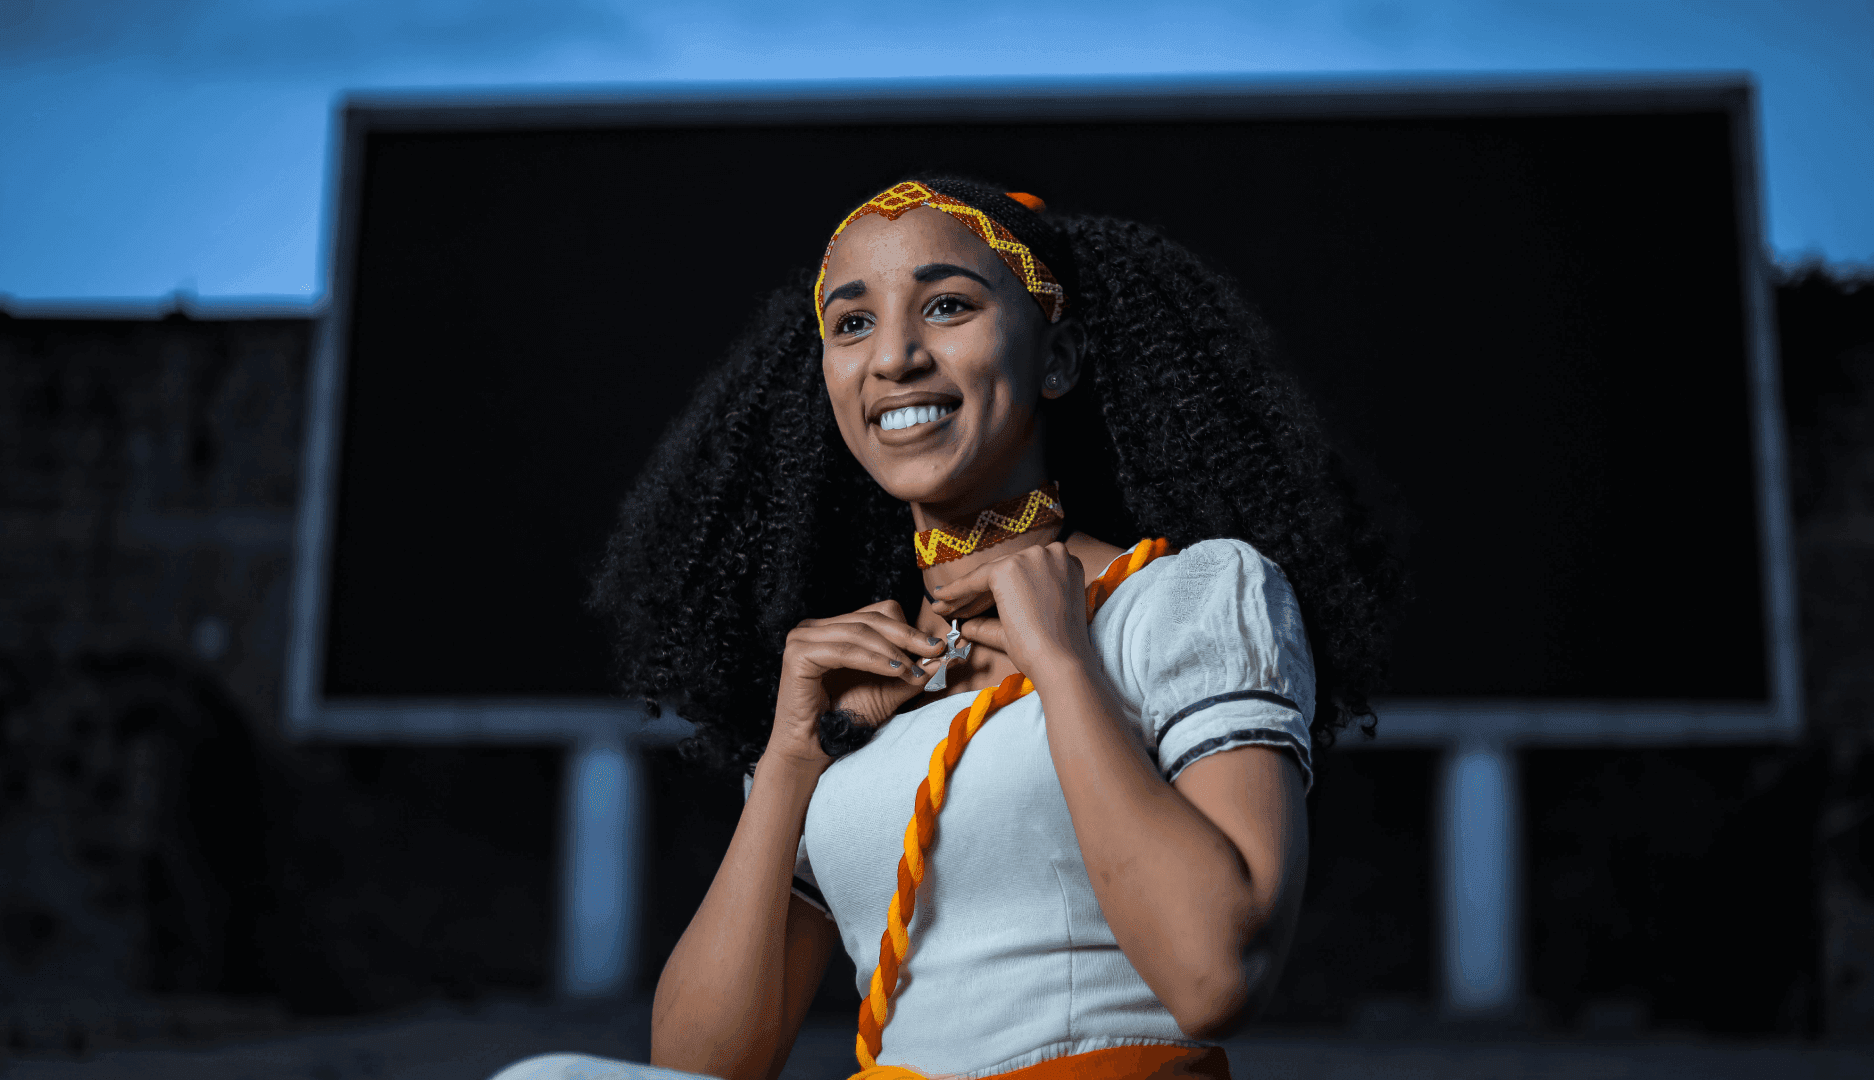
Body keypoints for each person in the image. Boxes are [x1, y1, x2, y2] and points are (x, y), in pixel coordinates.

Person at [520, 177, 1400, 1080]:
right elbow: (700, 1070)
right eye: (852, 323)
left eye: (947, 306)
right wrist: (788, 761)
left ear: (1056, 358)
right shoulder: (855, 689)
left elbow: (1217, 978)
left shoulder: (1188, 596)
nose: (894, 356)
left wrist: (1063, 661)